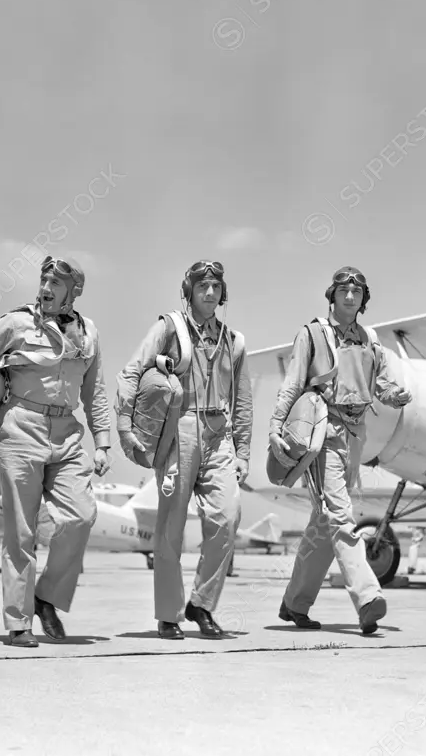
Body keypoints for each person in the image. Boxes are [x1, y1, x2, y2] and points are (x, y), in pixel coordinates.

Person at [0, 255, 111, 647]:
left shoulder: (89, 333)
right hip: (19, 429)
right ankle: (18, 623)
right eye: (43, 281)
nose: (45, 289)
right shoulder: (15, 323)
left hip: (67, 433)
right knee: (20, 532)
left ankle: (47, 597)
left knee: (81, 517)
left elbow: (95, 391)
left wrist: (104, 442)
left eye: (55, 284)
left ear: (73, 291)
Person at [269, 266, 412, 635]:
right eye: (344, 290)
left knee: (324, 522)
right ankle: (367, 597)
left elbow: (380, 383)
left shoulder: (369, 338)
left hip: (355, 435)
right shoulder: (312, 334)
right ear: (332, 295)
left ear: (364, 299)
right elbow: (292, 383)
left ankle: (294, 603)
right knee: (340, 514)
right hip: (323, 431)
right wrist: (274, 427)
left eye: (357, 292)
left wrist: (393, 395)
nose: (350, 297)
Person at [115, 260, 252, 640]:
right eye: (202, 286)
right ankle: (169, 614)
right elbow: (131, 372)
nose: (209, 293)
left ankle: (202, 604)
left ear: (224, 293)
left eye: (215, 287)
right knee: (171, 526)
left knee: (228, 517)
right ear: (188, 291)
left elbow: (242, 401)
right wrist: (125, 427)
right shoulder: (168, 328)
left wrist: (243, 452)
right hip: (180, 430)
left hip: (219, 433)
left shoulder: (234, 341)